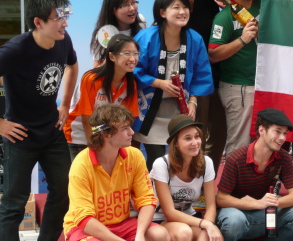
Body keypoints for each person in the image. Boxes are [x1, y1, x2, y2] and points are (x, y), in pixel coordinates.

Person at [190, 0, 290, 157]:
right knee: (240, 145)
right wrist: (242, 40)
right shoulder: (224, 17)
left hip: (266, 85)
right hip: (239, 89)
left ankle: (255, 188)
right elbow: (213, 55)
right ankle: (230, 191)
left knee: (264, 144)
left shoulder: (266, 5)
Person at [0, 0, 78, 241]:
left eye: (66, 16)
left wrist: (65, 104)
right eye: (59, 18)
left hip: (51, 130)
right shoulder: (15, 50)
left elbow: (72, 64)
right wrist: (0, 123)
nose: (65, 23)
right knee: (14, 204)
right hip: (19, 135)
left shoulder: (63, 39)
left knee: (65, 190)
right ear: (38, 22)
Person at [155, 0, 227, 171]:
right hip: (189, 87)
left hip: (216, 79)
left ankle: (205, 175)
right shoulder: (168, 16)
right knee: (195, 134)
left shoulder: (207, 4)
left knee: (220, 131)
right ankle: (189, 177)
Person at [133, 0, 214, 171]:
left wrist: (193, 102)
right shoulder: (146, 37)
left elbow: (202, 75)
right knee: (155, 161)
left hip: (180, 108)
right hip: (149, 110)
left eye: (185, 7)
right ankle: (154, 198)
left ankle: (176, 197)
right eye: (176, 7)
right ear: (162, 12)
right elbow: (133, 69)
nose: (182, 12)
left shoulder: (195, 38)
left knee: (180, 161)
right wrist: (159, 83)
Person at [63, 104, 170, 241]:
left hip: (121, 224)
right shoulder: (81, 164)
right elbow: (84, 219)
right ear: (106, 134)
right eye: (125, 128)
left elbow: (147, 200)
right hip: (85, 228)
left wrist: (140, 235)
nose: (131, 132)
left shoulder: (135, 155)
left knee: (160, 234)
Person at [216, 108, 293, 241]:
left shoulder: (284, 157)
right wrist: (257, 204)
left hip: (263, 213)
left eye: (284, 133)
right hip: (236, 212)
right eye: (278, 132)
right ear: (262, 130)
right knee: (234, 221)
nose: (282, 138)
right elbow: (221, 199)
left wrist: (267, 203)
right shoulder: (236, 158)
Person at [64, 34, 139, 159]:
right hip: (81, 136)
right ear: (111, 56)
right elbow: (86, 119)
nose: (132, 58)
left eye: (135, 53)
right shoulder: (91, 79)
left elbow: (128, 118)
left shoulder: (131, 83)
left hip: (108, 137)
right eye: (126, 53)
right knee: (87, 174)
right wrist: (95, 148)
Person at [150, 114, 222, 241]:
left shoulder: (207, 162)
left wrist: (208, 226)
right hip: (160, 218)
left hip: (189, 216)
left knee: (213, 237)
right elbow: (169, 212)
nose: (195, 142)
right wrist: (204, 224)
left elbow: (210, 206)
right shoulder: (161, 164)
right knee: (184, 233)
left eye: (197, 136)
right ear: (176, 143)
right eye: (187, 138)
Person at [90, 0, 146, 67]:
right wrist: (113, 58)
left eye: (133, 2)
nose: (132, 8)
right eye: (125, 5)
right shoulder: (103, 34)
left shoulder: (141, 21)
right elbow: (96, 68)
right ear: (112, 10)